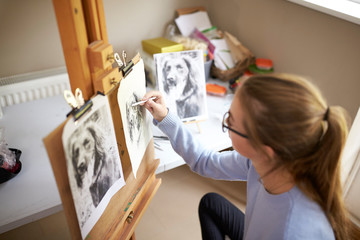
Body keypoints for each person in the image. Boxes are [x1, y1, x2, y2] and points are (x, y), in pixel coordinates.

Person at [141, 73, 354, 239]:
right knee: (211, 203)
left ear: (265, 149)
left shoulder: (293, 231)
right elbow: (204, 161)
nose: (226, 123)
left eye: (230, 120)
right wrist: (167, 117)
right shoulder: (264, 162)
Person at [160, 53, 205, 119]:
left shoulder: (199, 101)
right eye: (168, 69)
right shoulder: (170, 101)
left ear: (189, 71)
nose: (170, 76)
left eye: (179, 67)